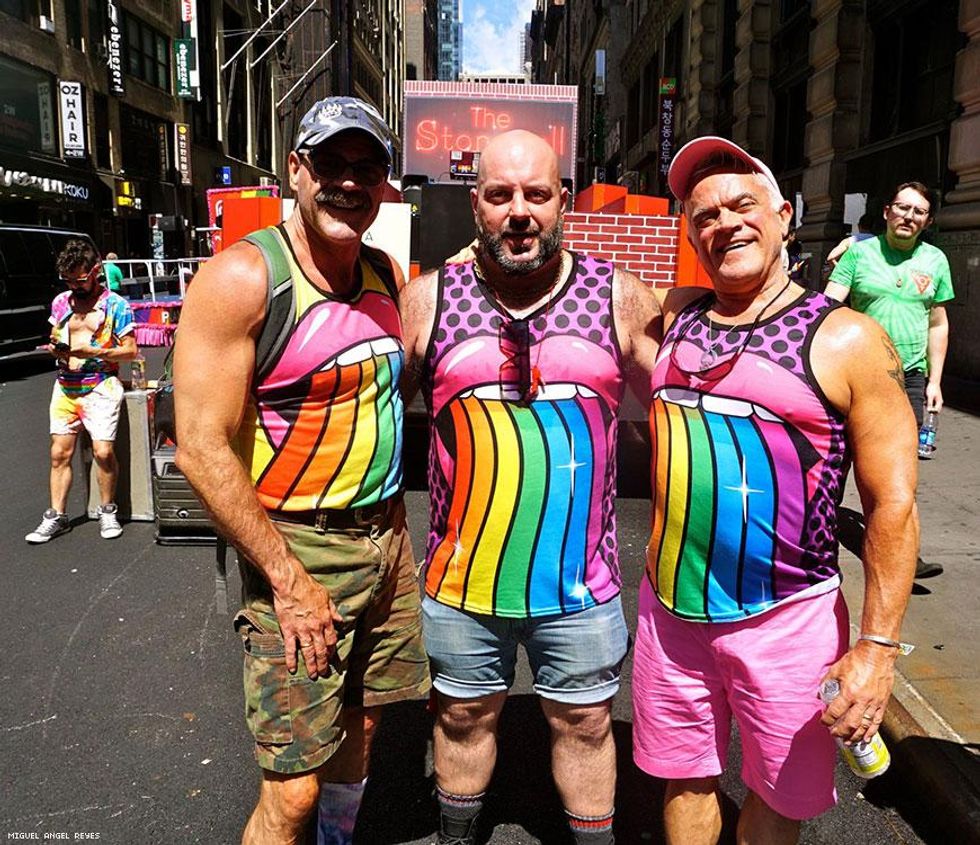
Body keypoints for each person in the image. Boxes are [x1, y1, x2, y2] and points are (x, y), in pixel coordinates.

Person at [632, 136, 918, 845]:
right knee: (685, 777)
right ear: (691, 235)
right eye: (704, 215)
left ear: (784, 216)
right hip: (671, 615)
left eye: (742, 204)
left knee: (776, 796)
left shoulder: (847, 338)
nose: (724, 222)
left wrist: (878, 650)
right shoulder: (677, 315)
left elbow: (894, 505)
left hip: (787, 620)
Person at [173, 96, 430, 845]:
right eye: (331, 164)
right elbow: (200, 445)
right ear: (296, 170)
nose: (349, 183)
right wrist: (287, 580)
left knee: (364, 725)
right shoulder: (244, 280)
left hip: (385, 544)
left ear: (386, 183)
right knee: (291, 789)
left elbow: (381, 405)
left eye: (367, 167)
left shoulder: (383, 269)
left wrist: (394, 537)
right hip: (298, 547)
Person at [401, 129, 661, 845]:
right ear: (476, 205)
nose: (520, 211)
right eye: (500, 194)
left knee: (583, 723)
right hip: (462, 582)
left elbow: (690, 404)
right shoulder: (428, 300)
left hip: (582, 585)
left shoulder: (619, 296)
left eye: (536, 194)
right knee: (461, 718)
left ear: (563, 203)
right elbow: (364, 415)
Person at [825, 182, 953, 578]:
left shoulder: (935, 261)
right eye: (902, 207)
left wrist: (935, 381)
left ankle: (903, 556)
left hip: (909, 378)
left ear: (927, 221)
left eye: (918, 211)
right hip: (856, 376)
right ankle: (817, 546)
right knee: (837, 464)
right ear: (886, 212)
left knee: (899, 474)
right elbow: (829, 306)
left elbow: (938, 323)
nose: (908, 216)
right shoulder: (859, 255)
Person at [25, 239, 137, 544]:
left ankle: (107, 510)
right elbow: (54, 337)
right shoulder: (61, 302)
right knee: (59, 453)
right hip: (65, 385)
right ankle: (56, 515)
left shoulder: (116, 305)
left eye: (80, 279)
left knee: (103, 452)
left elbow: (130, 351)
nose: (75, 285)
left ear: (96, 271)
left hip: (101, 386)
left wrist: (95, 351)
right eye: (68, 280)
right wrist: (56, 350)